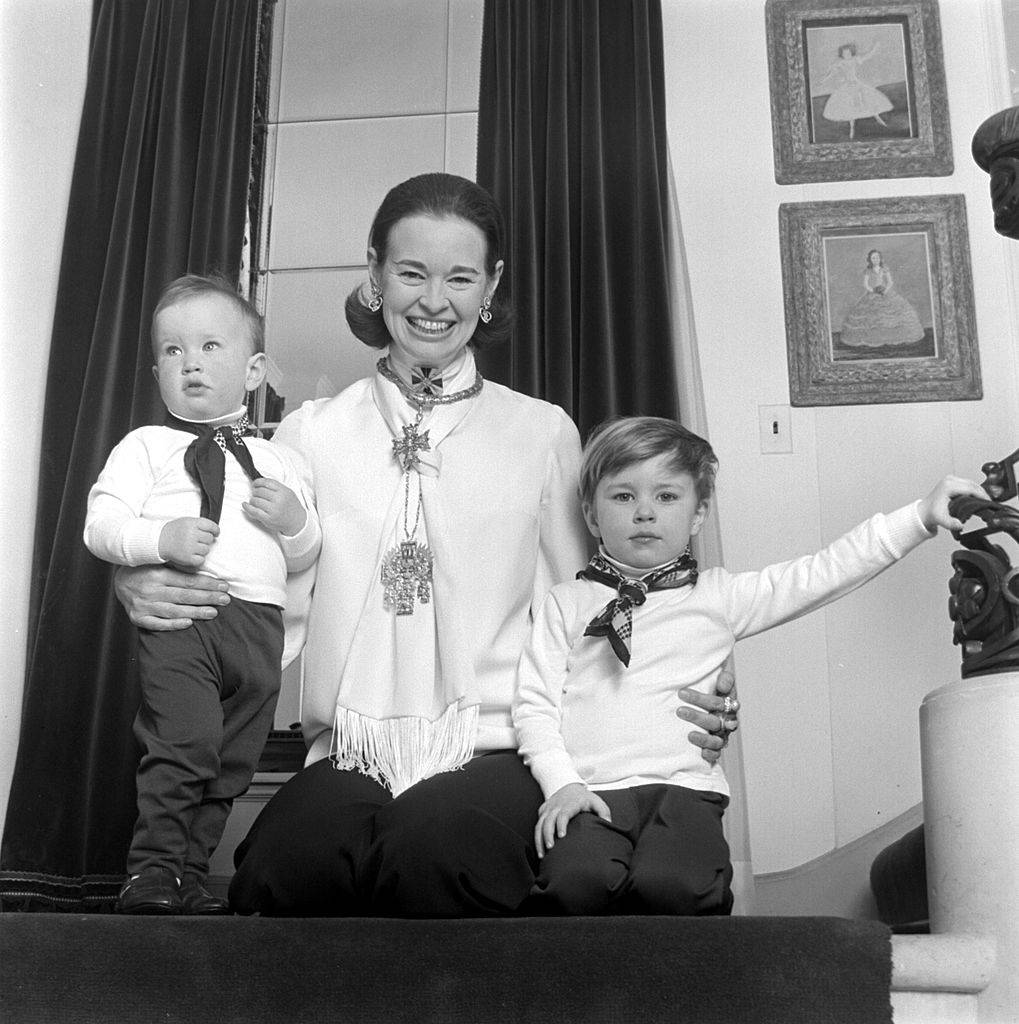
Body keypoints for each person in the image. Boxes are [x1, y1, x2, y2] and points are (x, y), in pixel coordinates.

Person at [112, 174, 737, 917]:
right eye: (410, 273)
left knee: (433, 855)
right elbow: (248, 573)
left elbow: (601, 597)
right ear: (375, 275)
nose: (433, 300)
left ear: (491, 287)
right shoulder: (309, 433)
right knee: (286, 869)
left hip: (496, 740)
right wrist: (137, 579)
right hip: (351, 747)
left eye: (460, 277)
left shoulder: (541, 432)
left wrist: (691, 667)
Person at [512, 416, 985, 916]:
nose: (645, 513)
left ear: (699, 515)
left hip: (684, 791)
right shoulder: (565, 603)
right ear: (590, 514)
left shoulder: (719, 596)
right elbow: (534, 705)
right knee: (572, 885)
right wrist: (562, 783)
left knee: (676, 886)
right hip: (590, 792)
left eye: (667, 497)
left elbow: (822, 572)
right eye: (623, 497)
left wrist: (919, 516)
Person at [84, 274, 322, 915]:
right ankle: (151, 872)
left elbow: (305, 557)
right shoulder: (146, 447)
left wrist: (294, 522)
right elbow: (100, 525)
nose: (189, 362)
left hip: (258, 631)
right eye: (171, 351)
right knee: (183, 743)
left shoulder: (281, 462)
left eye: (210, 347)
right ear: (157, 371)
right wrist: (159, 537)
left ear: (254, 371)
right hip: (186, 619)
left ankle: (190, 875)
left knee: (231, 762)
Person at [839, 249, 925, 350]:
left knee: (891, 315)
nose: (875, 259)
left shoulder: (884, 268)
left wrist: (885, 291)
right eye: (873, 258)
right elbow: (865, 284)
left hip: (885, 292)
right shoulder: (868, 270)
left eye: (877, 257)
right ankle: (874, 338)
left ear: (880, 258)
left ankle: (891, 337)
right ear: (870, 260)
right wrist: (872, 290)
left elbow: (890, 282)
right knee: (871, 316)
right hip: (873, 293)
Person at [817, 42, 891, 140]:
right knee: (850, 106)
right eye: (844, 53)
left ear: (851, 53)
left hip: (857, 84)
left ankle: (878, 118)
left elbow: (867, 56)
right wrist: (822, 81)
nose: (846, 55)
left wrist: (875, 48)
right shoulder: (840, 63)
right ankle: (852, 128)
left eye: (848, 53)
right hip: (847, 86)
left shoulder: (855, 59)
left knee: (866, 101)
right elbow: (831, 73)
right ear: (841, 54)